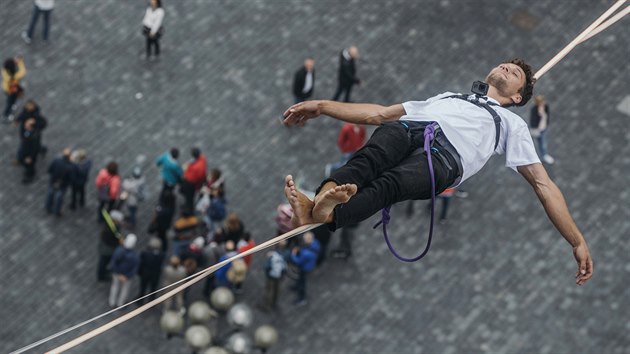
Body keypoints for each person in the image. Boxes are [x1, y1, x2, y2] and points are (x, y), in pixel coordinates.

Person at [282, 58, 593, 286]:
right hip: (411, 128)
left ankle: (327, 213)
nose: (508, 67)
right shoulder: (448, 97)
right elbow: (377, 114)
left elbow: (543, 184)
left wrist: (576, 241)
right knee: (371, 157)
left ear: (516, 98)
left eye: (516, 74)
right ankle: (320, 205)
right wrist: (322, 106)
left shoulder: (512, 124)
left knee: (391, 184)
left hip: (446, 157)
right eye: (506, 64)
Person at [109, 234, 140, 308]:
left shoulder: (119, 250)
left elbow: (113, 263)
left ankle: (112, 302)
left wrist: (118, 273)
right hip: (126, 276)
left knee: (115, 286)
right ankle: (121, 303)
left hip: (117, 273)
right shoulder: (134, 256)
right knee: (124, 289)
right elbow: (134, 268)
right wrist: (127, 276)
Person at [290, 232, 320, 306]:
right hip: (309, 265)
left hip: (304, 268)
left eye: (304, 239)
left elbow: (298, 261)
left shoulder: (306, 253)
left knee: (302, 283)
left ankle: (301, 299)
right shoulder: (316, 243)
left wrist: (293, 254)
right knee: (300, 279)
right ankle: (297, 287)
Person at [260, 242, 288, 311]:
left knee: (269, 291)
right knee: (276, 290)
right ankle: (274, 302)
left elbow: (266, 266)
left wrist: (267, 273)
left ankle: (267, 305)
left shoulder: (272, 255)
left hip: (272, 276)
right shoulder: (286, 254)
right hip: (279, 275)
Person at [97, 210, 124, 281]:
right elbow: (109, 241)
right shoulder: (108, 229)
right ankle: (101, 276)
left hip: (109, 247)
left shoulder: (113, 226)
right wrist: (119, 243)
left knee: (105, 262)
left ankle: (104, 272)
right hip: (107, 249)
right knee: (103, 262)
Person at [46, 148, 73, 216]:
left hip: (53, 180)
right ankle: (57, 211)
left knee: (50, 193)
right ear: (69, 156)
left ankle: (48, 207)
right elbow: (70, 178)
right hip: (62, 184)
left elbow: (50, 169)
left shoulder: (56, 160)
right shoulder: (70, 166)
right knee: (59, 197)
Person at [137, 237, 165, 305]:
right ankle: (151, 300)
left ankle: (141, 300)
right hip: (155, 275)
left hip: (145, 273)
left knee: (143, 287)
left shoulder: (145, 253)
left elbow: (141, 263)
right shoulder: (161, 255)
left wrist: (139, 271)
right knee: (153, 288)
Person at [530, 95, 555, 164]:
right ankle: (532, 157)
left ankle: (544, 155)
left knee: (542, 143)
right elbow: (533, 120)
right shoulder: (534, 109)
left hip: (543, 128)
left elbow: (547, 116)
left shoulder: (546, 106)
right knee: (533, 143)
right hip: (537, 129)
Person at [180, 147, 207, 212]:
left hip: (191, 184)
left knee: (189, 197)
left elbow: (189, 177)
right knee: (189, 196)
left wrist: (185, 170)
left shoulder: (196, 168)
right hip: (197, 182)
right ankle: (187, 205)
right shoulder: (202, 158)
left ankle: (189, 209)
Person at [2, 56, 26, 121]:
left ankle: (10, 109)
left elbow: (7, 65)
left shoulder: (5, 72)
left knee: (11, 99)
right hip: (12, 90)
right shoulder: (15, 76)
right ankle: (7, 114)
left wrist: (15, 61)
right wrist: (20, 62)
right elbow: (22, 72)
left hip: (7, 89)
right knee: (11, 101)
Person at [19, 118, 40, 184]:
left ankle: (29, 176)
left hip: (29, 154)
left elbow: (34, 148)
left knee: (29, 165)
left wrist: (30, 157)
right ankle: (30, 172)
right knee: (26, 164)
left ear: (31, 127)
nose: (25, 125)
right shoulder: (27, 131)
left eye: (27, 125)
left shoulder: (34, 136)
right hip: (25, 151)